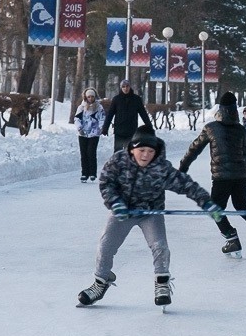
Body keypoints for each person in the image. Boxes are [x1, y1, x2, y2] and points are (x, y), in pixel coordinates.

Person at [78, 125, 220, 308]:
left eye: (150, 151)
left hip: (150, 213)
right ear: (132, 149)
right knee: (106, 245)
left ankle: (161, 283)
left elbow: (185, 185)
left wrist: (206, 202)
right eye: (141, 150)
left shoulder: (161, 168)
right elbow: (106, 183)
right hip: (123, 212)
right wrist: (116, 203)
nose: (145, 155)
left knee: (160, 246)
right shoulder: (118, 162)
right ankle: (100, 282)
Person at [179, 92, 246, 259]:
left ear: (220, 109)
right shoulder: (241, 130)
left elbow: (194, 149)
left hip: (221, 178)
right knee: (241, 206)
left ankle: (231, 238)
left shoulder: (211, 128)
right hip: (239, 177)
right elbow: (244, 155)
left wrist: (183, 168)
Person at [101, 79, 153, 152]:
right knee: (118, 152)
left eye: (127, 86)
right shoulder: (116, 99)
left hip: (131, 130)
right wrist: (105, 128)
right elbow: (110, 114)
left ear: (130, 87)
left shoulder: (136, 99)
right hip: (119, 130)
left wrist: (149, 126)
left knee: (129, 152)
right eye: (123, 86)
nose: (125, 88)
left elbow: (143, 114)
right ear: (121, 88)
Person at [75, 87, 106, 183]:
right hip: (83, 133)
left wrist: (101, 127)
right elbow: (77, 119)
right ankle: (84, 173)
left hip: (94, 133)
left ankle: (92, 173)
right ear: (86, 97)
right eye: (88, 97)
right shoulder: (81, 107)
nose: (90, 98)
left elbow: (102, 118)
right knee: (83, 153)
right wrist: (79, 128)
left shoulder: (99, 107)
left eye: (92, 96)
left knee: (91, 152)